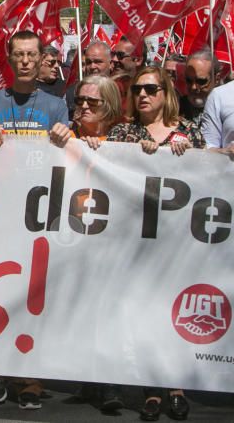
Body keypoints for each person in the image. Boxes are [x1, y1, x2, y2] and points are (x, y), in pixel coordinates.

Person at [0, 30, 70, 410]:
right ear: (8, 58)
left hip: (39, 216)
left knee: (35, 296)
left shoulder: (55, 106)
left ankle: (31, 377)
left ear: (42, 60)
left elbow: (65, 161)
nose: (24, 61)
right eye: (18, 55)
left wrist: (64, 137)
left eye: (31, 55)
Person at [106, 67, 203, 422]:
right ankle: (150, 389)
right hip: (134, 238)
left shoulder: (188, 131)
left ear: (166, 93)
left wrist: (193, 153)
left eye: (151, 88)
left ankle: (175, 386)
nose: (143, 95)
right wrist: (138, 152)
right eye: (137, 89)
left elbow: (210, 171)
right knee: (143, 311)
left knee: (172, 310)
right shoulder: (123, 131)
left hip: (177, 239)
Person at [70, 75, 123, 150]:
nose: (84, 106)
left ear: (109, 104)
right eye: (80, 100)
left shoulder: (122, 142)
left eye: (92, 101)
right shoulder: (66, 138)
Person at [180, 50, 216, 128]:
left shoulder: (228, 109)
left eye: (201, 81)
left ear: (216, 79)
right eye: (189, 80)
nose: (193, 87)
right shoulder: (175, 107)